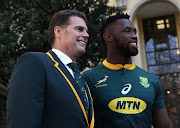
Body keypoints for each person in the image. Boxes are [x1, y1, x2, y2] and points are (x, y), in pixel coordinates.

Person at [7, 9, 94, 128]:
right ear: (58, 32)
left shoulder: (80, 78)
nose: (86, 35)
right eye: (79, 29)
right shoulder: (35, 62)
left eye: (86, 31)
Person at [82, 13, 172, 128]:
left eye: (134, 31)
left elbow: (164, 126)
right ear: (108, 37)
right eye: (127, 31)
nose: (134, 36)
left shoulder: (151, 80)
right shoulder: (88, 79)